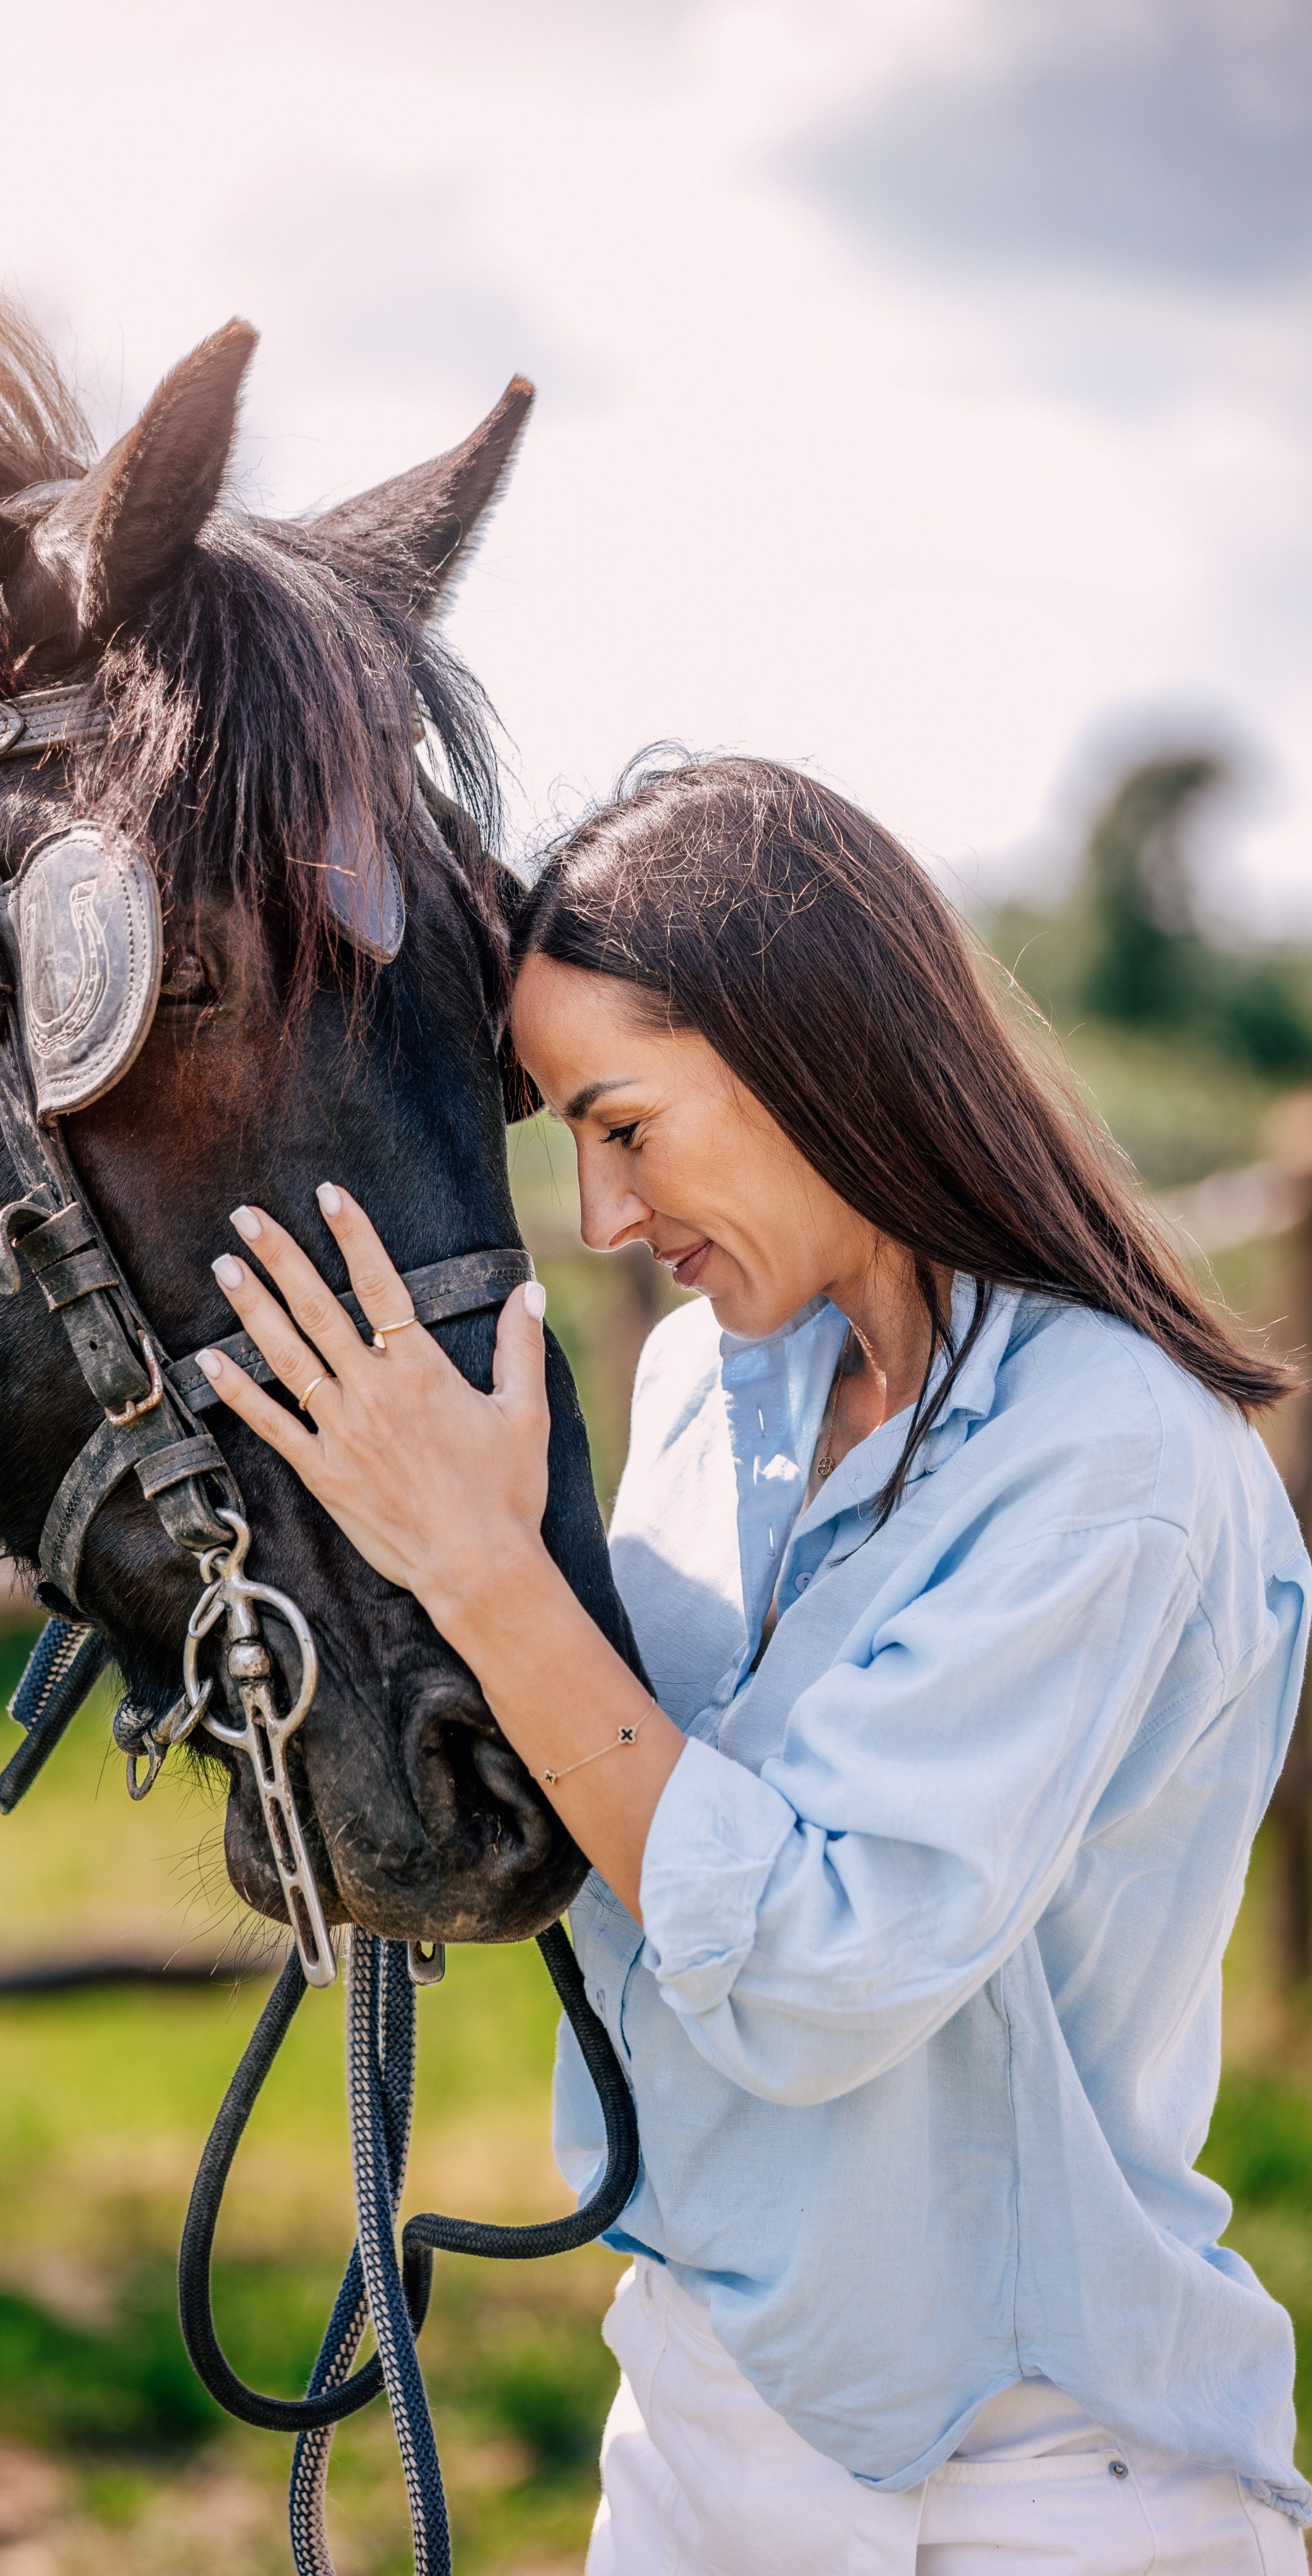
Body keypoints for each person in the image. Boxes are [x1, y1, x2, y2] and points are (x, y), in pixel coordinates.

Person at [194, 755, 1311, 2574]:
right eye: (567, 1135)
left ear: (819, 1058)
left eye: (624, 1124)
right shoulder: (718, 1386)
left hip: (1027, 2487)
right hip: (702, 2413)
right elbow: (638, 1799)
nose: (607, 1215)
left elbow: (811, 1972)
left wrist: (481, 1571)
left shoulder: (1112, 1466)